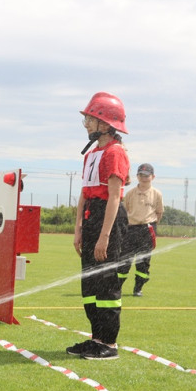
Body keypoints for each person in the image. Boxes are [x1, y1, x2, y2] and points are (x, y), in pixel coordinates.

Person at [66, 92, 131, 360]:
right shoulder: (92, 153)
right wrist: (79, 227)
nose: (87, 125)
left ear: (105, 124)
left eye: (90, 120)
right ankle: (96, 338)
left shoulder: (115, 153)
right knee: (90, 284)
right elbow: (83, 193)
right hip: (92, 216)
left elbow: (115, 196)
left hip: (109, 218)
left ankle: (109, 344)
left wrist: (104, 237)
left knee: (106, 283)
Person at [117, 163, 164, 297]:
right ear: (137, 176)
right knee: (125, 260)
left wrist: (151, 226)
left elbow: (159, 213)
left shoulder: (157, 194)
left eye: (147, 175)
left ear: (152, 177)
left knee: (143, 262)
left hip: (147, 229)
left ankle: (138, 288)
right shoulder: (131, 193)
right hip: (131, 229)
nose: (144, 178)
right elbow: (124, 212)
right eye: (141, 175)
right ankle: (118, 287)